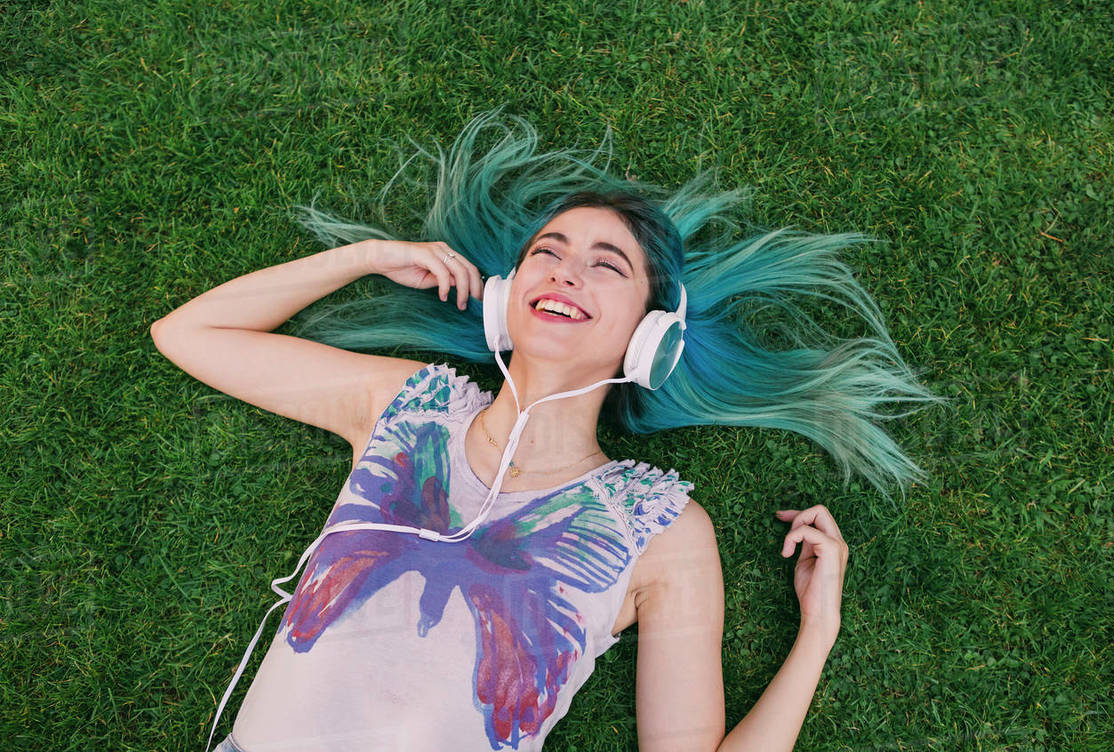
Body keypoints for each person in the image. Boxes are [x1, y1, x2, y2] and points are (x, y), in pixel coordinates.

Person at [151, 110, 940, 752]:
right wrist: (362, 258)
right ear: (507, 295)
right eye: (547, 253)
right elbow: (188, 335)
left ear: (649, 337)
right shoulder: (406, 406)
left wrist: (818, 634)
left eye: (607, 265)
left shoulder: (659, 532)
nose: (565, 271)